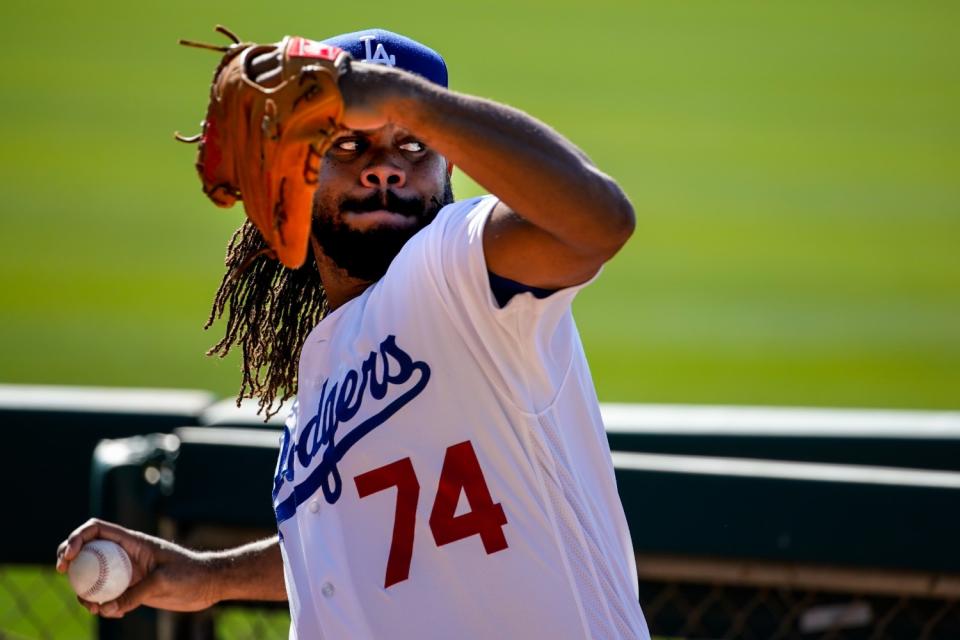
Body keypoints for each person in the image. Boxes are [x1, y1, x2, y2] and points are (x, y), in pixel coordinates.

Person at [57, 28, 650, 639]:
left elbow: (601, 222)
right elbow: (366, 543)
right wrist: (212, 576)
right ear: (295, 170)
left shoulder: (457, 270)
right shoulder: (326, 364)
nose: (385, 170)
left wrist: (400, 97)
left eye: (415, 145)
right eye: (347, 144)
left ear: (450, 166)